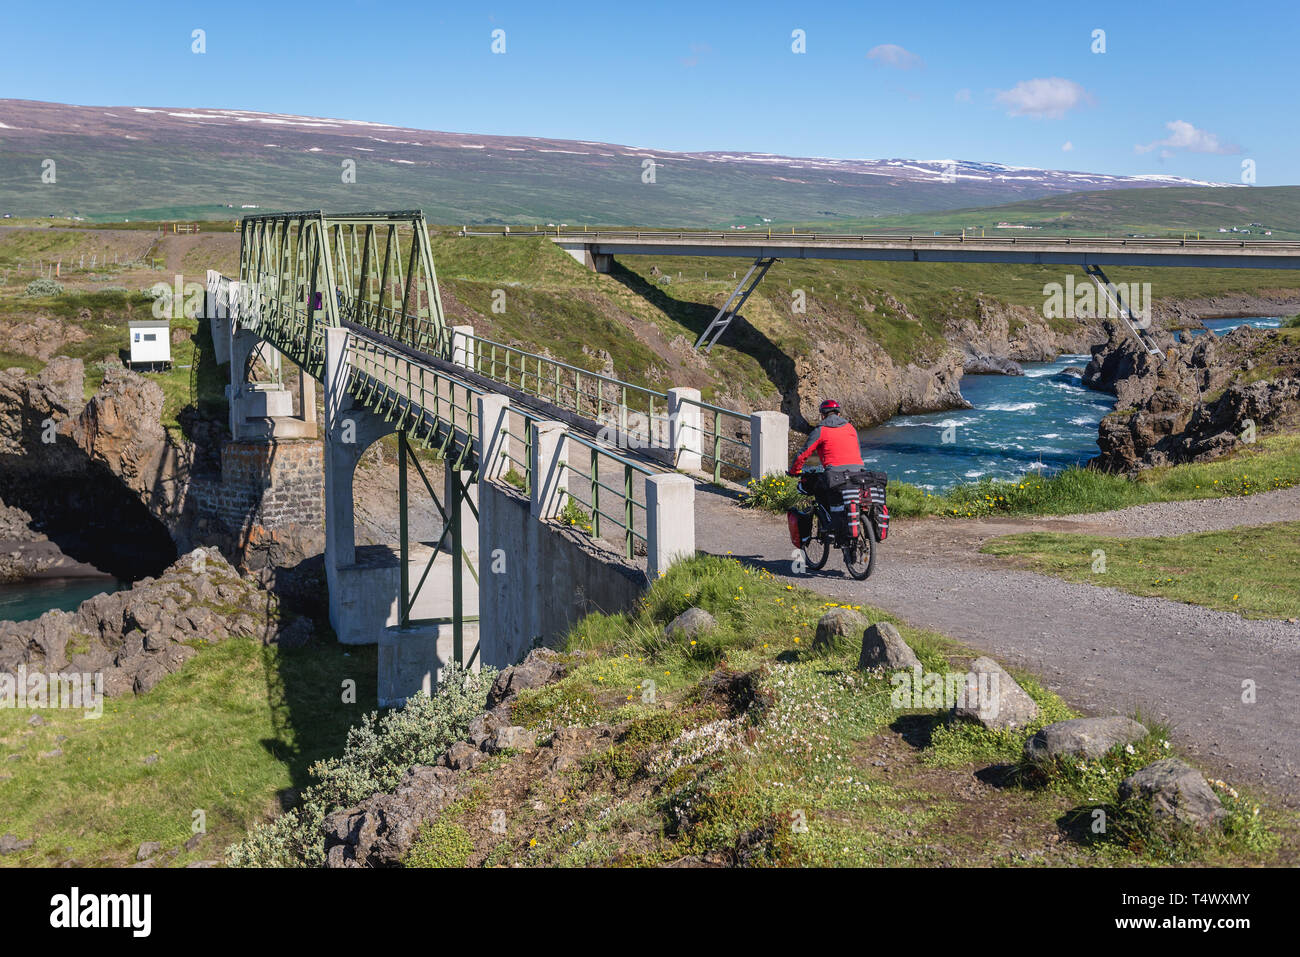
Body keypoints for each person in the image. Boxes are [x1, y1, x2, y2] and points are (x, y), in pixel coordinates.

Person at [788, 399, 865, 537]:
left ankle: (830, 525)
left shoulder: (821, 430)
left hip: (834, 474)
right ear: (839, 414)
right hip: (858, 472)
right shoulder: (850, 428)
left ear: (822, 415)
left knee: (820, 491)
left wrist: (795, 470)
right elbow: (857, 450)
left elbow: (804, 454)